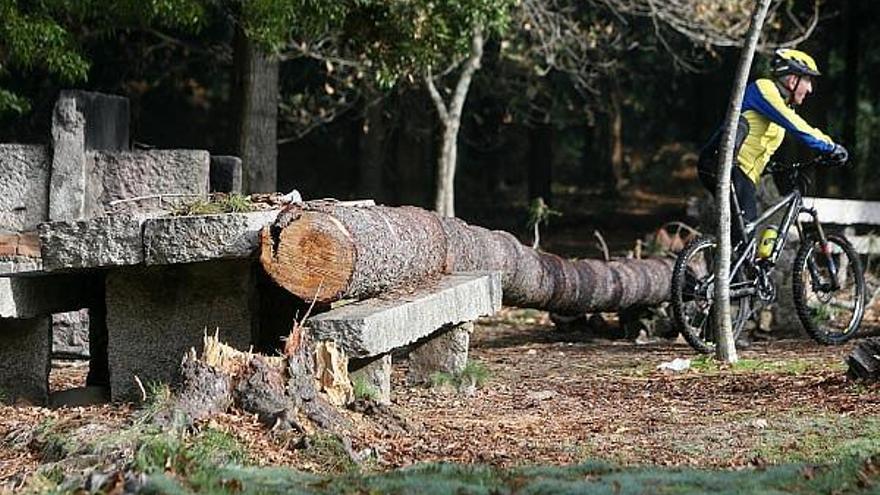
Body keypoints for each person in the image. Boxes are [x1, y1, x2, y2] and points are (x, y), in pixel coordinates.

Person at [697, 48, 849, 239]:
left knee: (759, 225)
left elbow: (759, 142)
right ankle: (734, 266)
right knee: (745, 236)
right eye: (808, 80)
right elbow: (798, 127)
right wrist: (830, 146)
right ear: (793, 80)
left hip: (742, 172)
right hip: (727, 165)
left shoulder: (781, 105)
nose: (810, 89)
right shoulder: (764, 89)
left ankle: (739, 263)